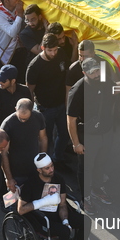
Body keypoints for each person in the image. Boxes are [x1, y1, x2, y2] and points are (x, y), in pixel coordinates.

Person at [18, 153, 98, 240]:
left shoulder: (58, 178)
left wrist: (65, 220)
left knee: (85, 221)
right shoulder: (30, 184)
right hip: (41, 218)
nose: (51, 170)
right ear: (39, 170)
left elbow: (62, 204)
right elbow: (21, 210)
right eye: (47, 168)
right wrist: (43, 202)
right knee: (64, 231)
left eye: (52, 166)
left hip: (57, 213)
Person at [67, 58, 116, 208]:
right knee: (86, 169)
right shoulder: (77, 90)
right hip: (88, 136)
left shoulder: (105, 81)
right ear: (84, 72)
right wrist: (76, 143)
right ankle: (85, 197)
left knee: (101, 164)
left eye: (98, 70)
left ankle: (97, 189)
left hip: (105, 133)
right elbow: (70, 119)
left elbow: (116, 88)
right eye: (93, 72)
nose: (97, 73)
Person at [26, 33, 68, 164]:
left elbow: (67, 74)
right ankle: (47, 164)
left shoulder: (61, 54)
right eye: (50, 50)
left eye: (55, 49)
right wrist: (32, 112)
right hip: (45, 109)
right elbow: (29, 91)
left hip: (62, 104)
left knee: (65, 133)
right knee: (45, 139)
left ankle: (58, 158)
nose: (54, 53)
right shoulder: (34, 67)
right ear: (43, 48)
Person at [1, 98, 47, 189]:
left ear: (32, 110)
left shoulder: (38, 117)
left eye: (26, 119)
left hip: (35, 167)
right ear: (15, 109)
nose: (23, 121)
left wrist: (43, 160)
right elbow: (3, 153)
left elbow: (43, 138)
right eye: (20, 118)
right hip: (16, 170)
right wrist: (9, 178)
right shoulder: (7, 124)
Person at [0, 64, 33, 129]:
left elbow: (30, 109)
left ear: (13, 81)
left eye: (3, 80)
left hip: (22, 129)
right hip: (4, 130)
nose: (0, 82)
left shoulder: (25, 90)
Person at [0, 0, 24, 65]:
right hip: (6, 51)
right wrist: (20, 14)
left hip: (20, 48)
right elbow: (12, 33)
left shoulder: (18, 7)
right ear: (6, 2)